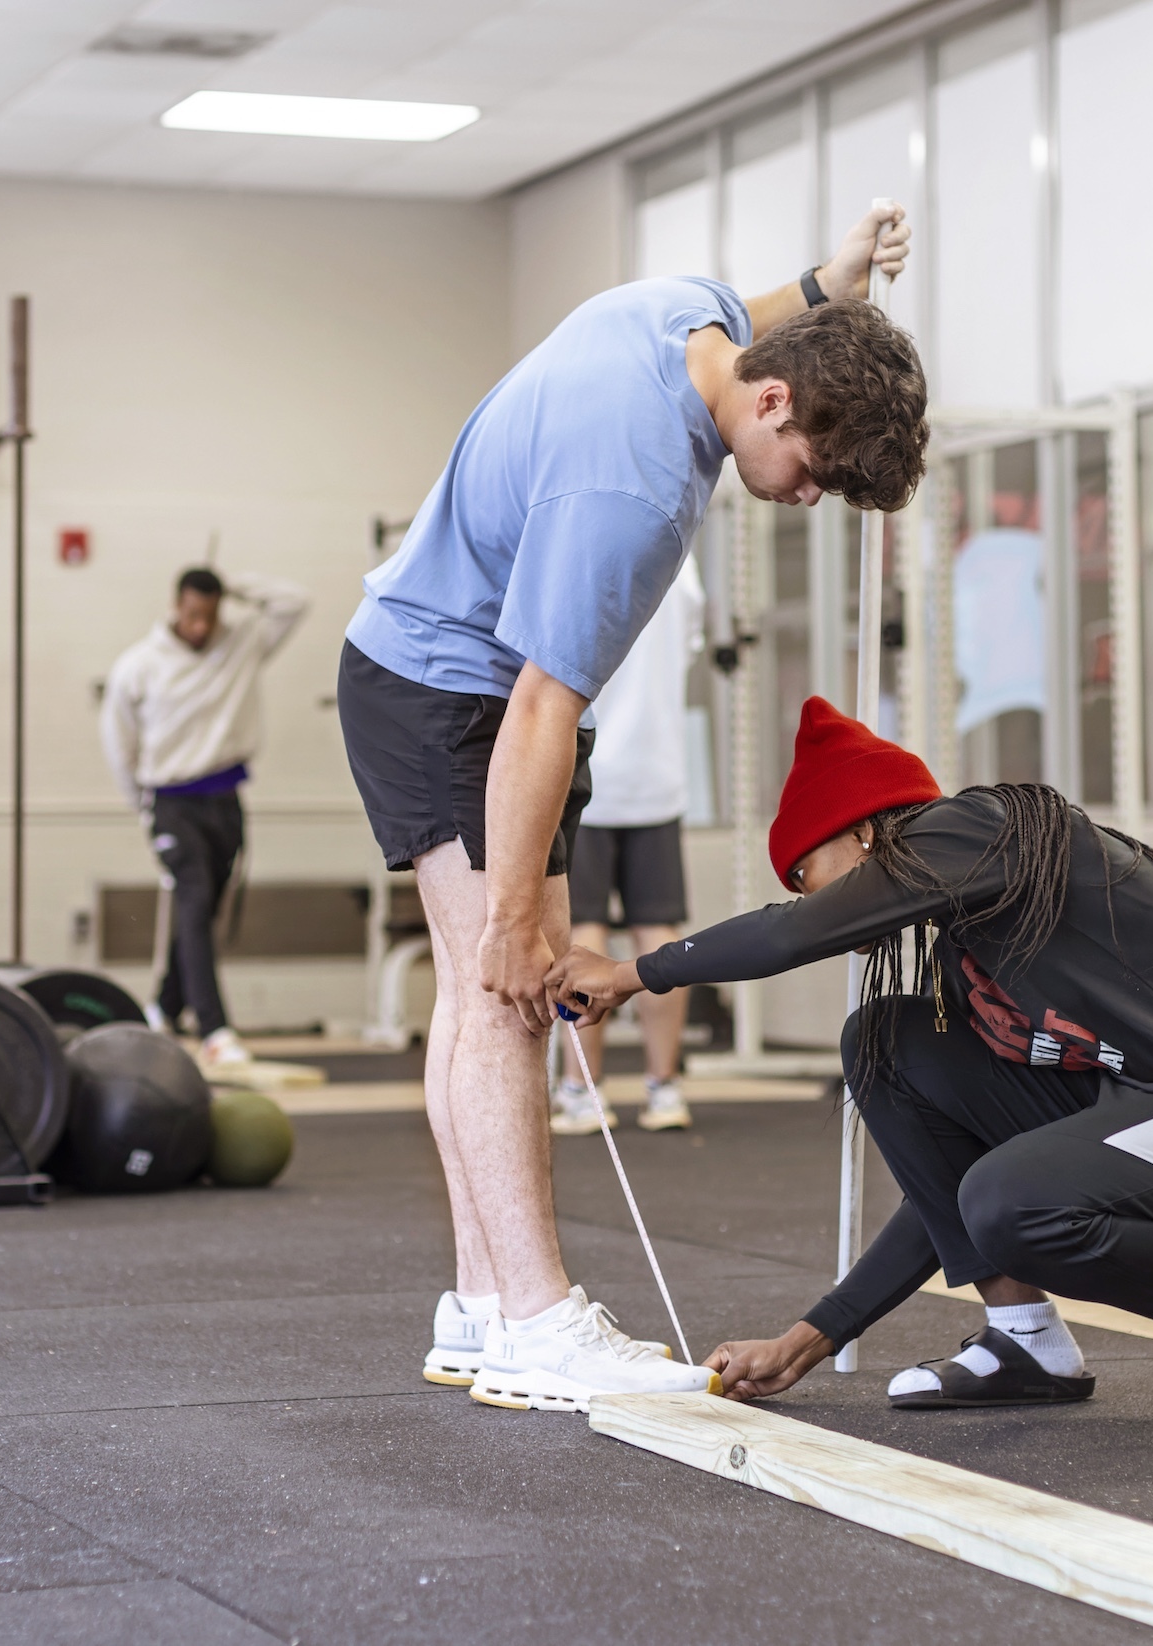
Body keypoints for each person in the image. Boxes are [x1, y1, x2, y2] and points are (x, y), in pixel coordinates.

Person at [338, 202, 928, 1415]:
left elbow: (771, 313)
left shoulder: (678, 316)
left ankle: (483, 1302)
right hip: (457, 692)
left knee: (478, 991)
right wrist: (514, 912)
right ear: (771, 405)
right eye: (811, 474)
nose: (804, 497)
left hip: (415, 663)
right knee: (510, 988)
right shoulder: (641, 492)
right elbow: (541, 708)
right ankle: (540, 1318)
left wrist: (837, 279)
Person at [553, 697, 1153, 1437]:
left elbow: (790, 936)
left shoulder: (982, 828)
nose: (808, 900)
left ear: (864, 833)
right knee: (890, 1043)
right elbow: (955, 1195)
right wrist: (813, 1336)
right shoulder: (972, 948)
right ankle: (1025, 1342)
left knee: (1012, 1199)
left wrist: (630, 973)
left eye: (805, 875)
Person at [101, 566, 308, 1068]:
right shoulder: (139, 665)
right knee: (192, 902)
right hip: (170, 801)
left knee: (204, 908)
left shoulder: (241, 643)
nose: (200, 627)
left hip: (225, 797)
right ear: (176, 605)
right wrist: (144, 805)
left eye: (210, 616)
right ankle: (214, 1029)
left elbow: (295, 600)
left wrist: (236, 584)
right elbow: (118, 744)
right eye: (192, 615)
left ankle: (164, 1005)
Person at [552, 553, 704, 1136]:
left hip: (586, 770)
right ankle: (664, 1088)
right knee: (657, 925)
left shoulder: (585, 557)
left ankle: (582, 1093)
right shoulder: (680, 558)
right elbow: (688, 642)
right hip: (657, 773)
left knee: (583, 925)